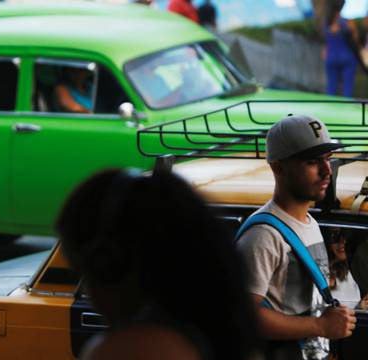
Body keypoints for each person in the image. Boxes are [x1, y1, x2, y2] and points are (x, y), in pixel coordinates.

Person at [56, 169, 262, 360]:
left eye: (85, 271)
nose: (87, 290)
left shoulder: (134, 349)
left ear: (109, 264)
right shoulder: (211, 330)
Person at [237, 114, 357, 360]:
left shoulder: (309, 223)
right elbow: (242, 316)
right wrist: (320, 327)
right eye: (313, 162)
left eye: (328, 159)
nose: (327, 171)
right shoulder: (263, 236)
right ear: (278, 168)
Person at [324, 228, 368, 309]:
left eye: (345, 235)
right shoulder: (316, 271)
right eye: (335, 236)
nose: (342, 241)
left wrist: (362, 305)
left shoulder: (350, 270)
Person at [323, 1, 360, 97]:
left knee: (331, 87)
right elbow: (355, 40)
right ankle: (346, 108)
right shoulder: (345, 22)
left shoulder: (327, 22)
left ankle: (329, 108)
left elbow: (327, 39)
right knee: (347, 88)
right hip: (346, 57)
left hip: (332, 57)